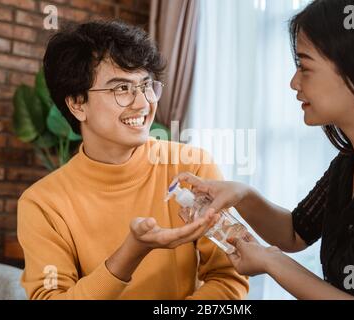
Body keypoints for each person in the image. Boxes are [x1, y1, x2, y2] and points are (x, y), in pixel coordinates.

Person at [175, 0, 354, 300]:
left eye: (304, 67)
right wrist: (242, 194)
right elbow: (294, 232)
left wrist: (273, 261)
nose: (294, 82)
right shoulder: (348, 163)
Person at [17, 20, 248, 300]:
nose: (143, 103)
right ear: (78, 104)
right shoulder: (42, 203)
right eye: (122, 89)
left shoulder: (192, 167)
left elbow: (229, 279)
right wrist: (130, 254)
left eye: (146, 85)